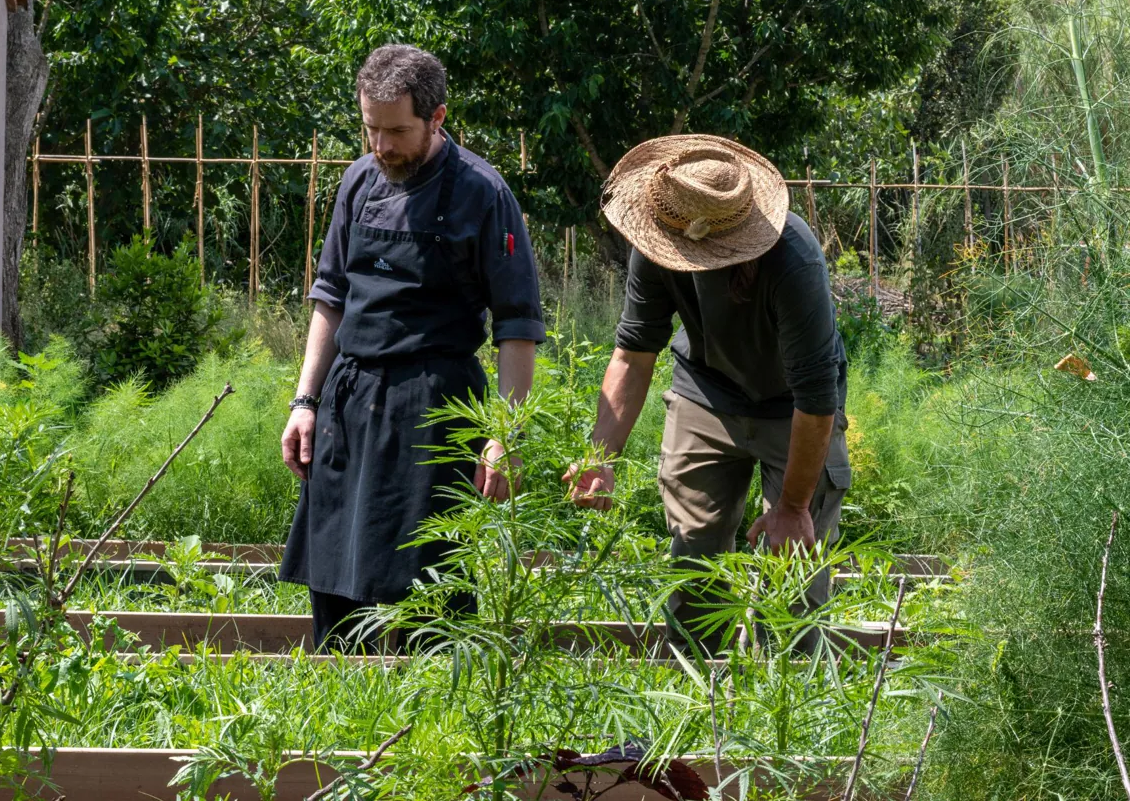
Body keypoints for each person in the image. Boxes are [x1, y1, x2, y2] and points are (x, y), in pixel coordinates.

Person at [278, 44, 545, 650]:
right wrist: (305, 400)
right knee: (336, 581)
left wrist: (504, 433)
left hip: (437, 403)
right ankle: (341, 717)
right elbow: (331, 297)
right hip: (350, 398)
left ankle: (434, 723)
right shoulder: (357, 181)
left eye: (397, 131)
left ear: (438, 118)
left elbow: (517, 327)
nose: (382, 147)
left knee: (431, 581)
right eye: (371, 129)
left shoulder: (483, 192)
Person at [564, 134, 851, 652]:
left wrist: (791, 506)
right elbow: (633, 352)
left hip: (793, 408)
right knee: (694, 556)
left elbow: (816, 396)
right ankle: (699, 692)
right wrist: (598, 457)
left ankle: (786, 706)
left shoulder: (792, 258)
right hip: (705, 390)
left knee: (792, 575)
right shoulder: (662, 230)